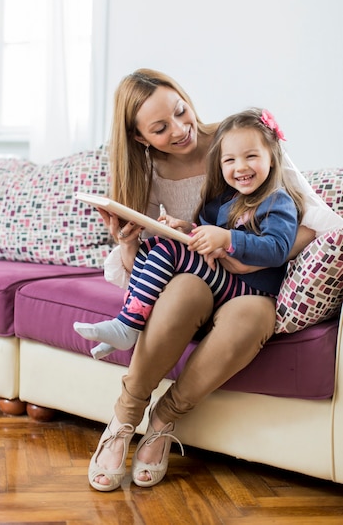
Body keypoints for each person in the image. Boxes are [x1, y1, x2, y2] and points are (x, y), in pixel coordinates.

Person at [84, 69, 343, 492]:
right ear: (140, 139)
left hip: (248, 289)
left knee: (251, 317)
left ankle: (164, 420)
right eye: (161, 128)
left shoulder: (239, 141)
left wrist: (243, 254)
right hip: (198, 281)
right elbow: (188, 237)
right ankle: (124, 418)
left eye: (181, 111)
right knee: (183, 285)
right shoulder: (148, 173)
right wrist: (134, 241)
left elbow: (319, 222)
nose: (182, 129)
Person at [74, 108, 304, 357]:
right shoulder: (227, 199)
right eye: (230, 160)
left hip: (250, 288)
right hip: (226, 277)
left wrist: (227, 238)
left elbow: (277, 249)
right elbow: (211, 233)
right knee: (154, 245)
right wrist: (188, 229)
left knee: (169, 250)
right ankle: (128, 322)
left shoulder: (277, 201)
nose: (241, 167)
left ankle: (127, 326)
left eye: (251, 156)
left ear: (271, 157)